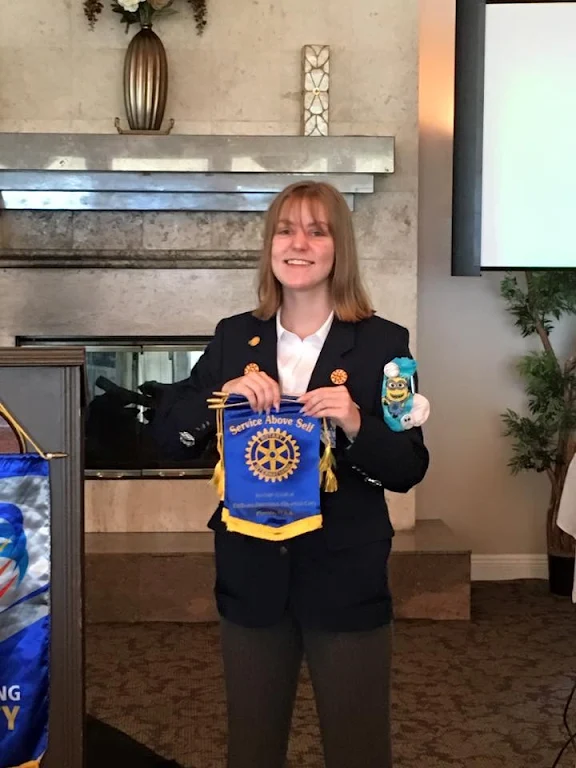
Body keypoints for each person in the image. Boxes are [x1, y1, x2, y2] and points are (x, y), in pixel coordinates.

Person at [153, 181, 430, 768]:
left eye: (316, 230)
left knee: (359, 749)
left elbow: (408, 467)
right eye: (285, 229)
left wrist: (357, 423)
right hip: (252, 576)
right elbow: (165, 433)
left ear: (338, 248)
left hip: (345, 575)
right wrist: (219, 399)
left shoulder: (384, 343)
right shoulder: (234, 337)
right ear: (269, 245)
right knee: (251, 748)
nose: (298, 243)